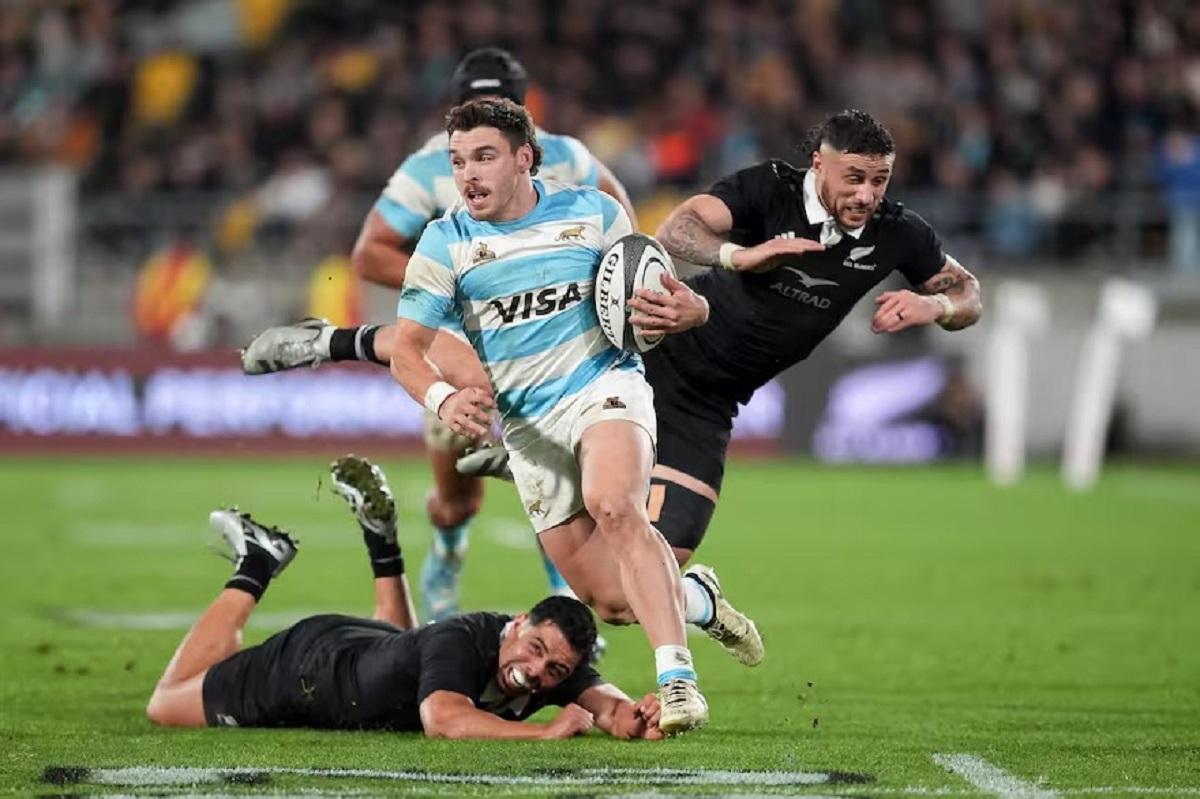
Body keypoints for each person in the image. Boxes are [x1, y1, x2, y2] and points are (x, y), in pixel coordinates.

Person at [389, 96, 768, 734]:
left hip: (604, 389)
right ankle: (699, 599)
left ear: (524, 159)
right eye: (457, 161)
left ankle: (679, 684)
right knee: (612, 602)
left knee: (615, 504)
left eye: (483, 157)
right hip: (528, 430)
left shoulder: (594, 213)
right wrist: (443, 398)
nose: (467, 174)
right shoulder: (445, 241)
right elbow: (406, 350)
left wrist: (691, 311)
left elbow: (661, 297)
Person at [462, 108, 983, 570]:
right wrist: (739, 255)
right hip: (650, 362)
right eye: (854, 178)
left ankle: (555, 472)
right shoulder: (771, 189)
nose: (866, 195)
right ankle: (551, 459)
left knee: (655, 566)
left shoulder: (898, 233)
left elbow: (968, 295)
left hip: (710, 407)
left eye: (879, 180)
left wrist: (935, 306)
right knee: (617, 542)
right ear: (819, 165)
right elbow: (677, 229)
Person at [240, 48, 638, 625]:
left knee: (566, 471)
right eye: (476, 106)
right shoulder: (430, 167)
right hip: (461, 340)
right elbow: (369, 253)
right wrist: (451, 281)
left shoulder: (568, 157)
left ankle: (569, 609)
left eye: (501, 105)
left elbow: (625, 229)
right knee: (458, 501)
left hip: (557, 342)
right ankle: (448, 550)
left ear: (524, 116)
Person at [145, 455, 665, 740]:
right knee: (166, 704)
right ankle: (257, 563)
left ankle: (382, 544)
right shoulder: (464, 640)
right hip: (306, 670)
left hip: (372, 647)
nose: (536, 672)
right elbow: (444, 720)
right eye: (535, 650)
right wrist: (545, 732)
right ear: (517, 623)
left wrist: (633, 719)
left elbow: (606, 705)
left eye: (555, 670)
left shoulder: (554, 662)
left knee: (403, 653)